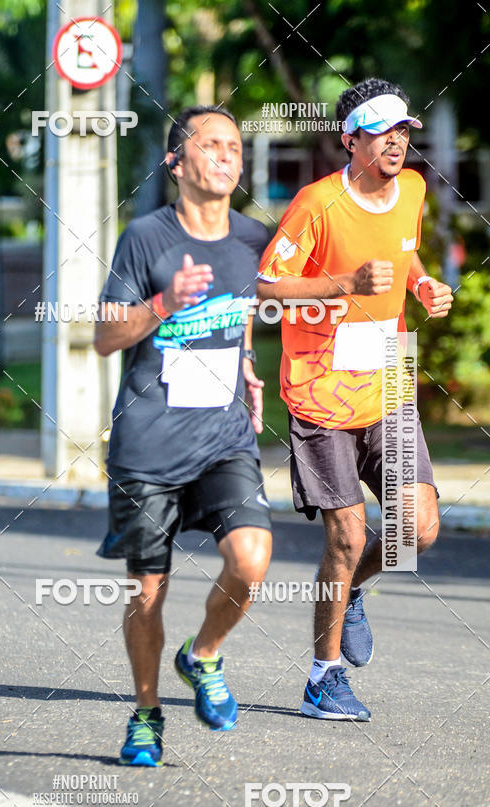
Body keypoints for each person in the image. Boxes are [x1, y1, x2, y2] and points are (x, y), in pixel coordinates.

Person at [257, 78, 453, 721]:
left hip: (390, 373)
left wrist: (422, 286)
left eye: (403, 131)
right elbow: (265, 287)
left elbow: (407, 253)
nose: (396, 142)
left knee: (416, 531)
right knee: (348, 536)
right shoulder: (317, 203)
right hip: (319, 384)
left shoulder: (415, 192)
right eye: (382, 131)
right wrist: (344, 282)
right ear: (352, 139)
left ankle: (352, 591)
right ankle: (323, 677)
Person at [95, 105, 272, 765]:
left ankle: (203, 656)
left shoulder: (254, 239)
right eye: (211, 143)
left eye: (235, 145)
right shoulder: (145, 237)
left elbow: (243, 308)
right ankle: (146, 716)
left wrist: (247, 365)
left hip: (223, 437)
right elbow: (105, 336)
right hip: (148, 442)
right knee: (148, 592)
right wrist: (164, 303)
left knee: (251, 559)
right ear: (177, 161)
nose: (227, 154)